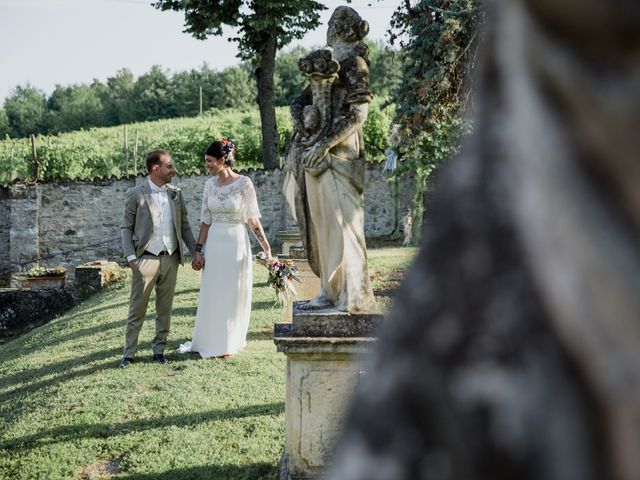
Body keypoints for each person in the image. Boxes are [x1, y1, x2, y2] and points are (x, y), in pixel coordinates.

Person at [285, 6, 376, 312]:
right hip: (316, 155)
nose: (326, 29)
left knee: (344, 226)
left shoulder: (355, 64)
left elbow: (358, 113)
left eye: (329, 24)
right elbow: (298, 101)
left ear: (339, 29)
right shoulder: (331, 64)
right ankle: (328, 290)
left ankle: (352, 297)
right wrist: (304, 123)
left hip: (339, 156)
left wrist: (322, 144)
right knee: (323, 226)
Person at [178, 139, 272, 359]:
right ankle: (210, 340)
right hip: (215, 243)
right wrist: (199, 250)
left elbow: (253, 220)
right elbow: (205, 221)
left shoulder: (244, 183)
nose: (207, 165)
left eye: (210, 161)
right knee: (213, 292)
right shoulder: (209, 185)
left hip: (236, 243)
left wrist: (266, 248)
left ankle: (229, 342)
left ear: (222, 160)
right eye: (206, 161)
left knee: (232, 292)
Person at [119, 149, 197, 368]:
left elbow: (185, 227)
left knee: (165, 308)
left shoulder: (176, 193)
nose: (173, 170)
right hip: (146, 259)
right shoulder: (135, 193)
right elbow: (126, 227)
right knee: (137, 309)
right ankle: (129, 353)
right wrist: (131, 258)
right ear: (156, 168)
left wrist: (196, 251)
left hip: (171, 258)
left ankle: (159, 350)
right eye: (169, 166)